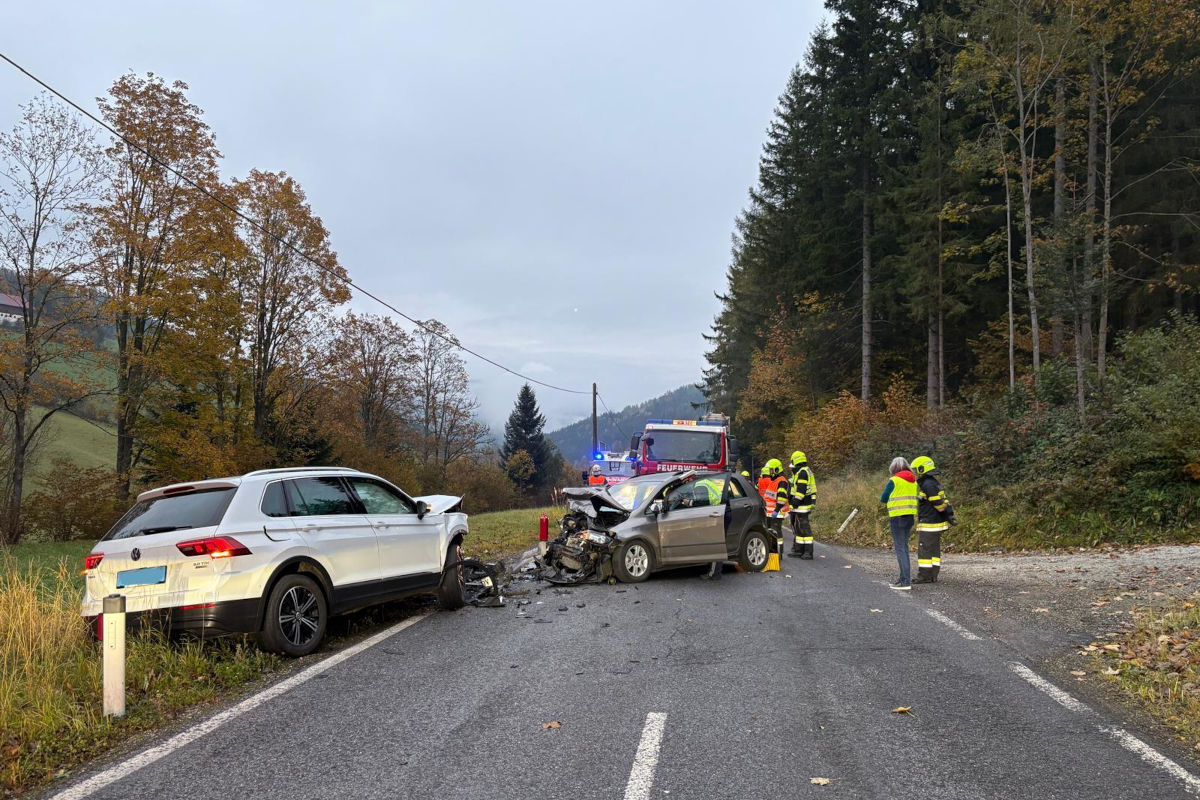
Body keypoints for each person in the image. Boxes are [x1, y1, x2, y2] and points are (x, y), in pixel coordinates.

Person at [911, 456, 955, 583]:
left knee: (924, 550)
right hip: (937, 523)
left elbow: (939, 505)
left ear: (921, 469)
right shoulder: (933, 482)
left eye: (915, 470)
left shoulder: (927, 484)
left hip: (930, 523)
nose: (914, 472)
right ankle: (933, 575)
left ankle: (924, 576)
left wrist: (939, 508)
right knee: (934, 550)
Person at [880, 457, 918, 590]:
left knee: (900, 549)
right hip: (909, 517)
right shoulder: (913, 481)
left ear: (893, 468)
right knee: (904, 548)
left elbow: (883, 498)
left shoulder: (894, 480)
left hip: (897, 517)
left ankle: (905, 582)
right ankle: (903, 578)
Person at [787, 450, 816, 559]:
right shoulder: (802, 471)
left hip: (802, 506)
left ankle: (808, 552)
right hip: (800, 506)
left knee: (805, 529)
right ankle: (799, 550)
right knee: (798, 529)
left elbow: (801, 490)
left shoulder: (803, 472)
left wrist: (795, 502)